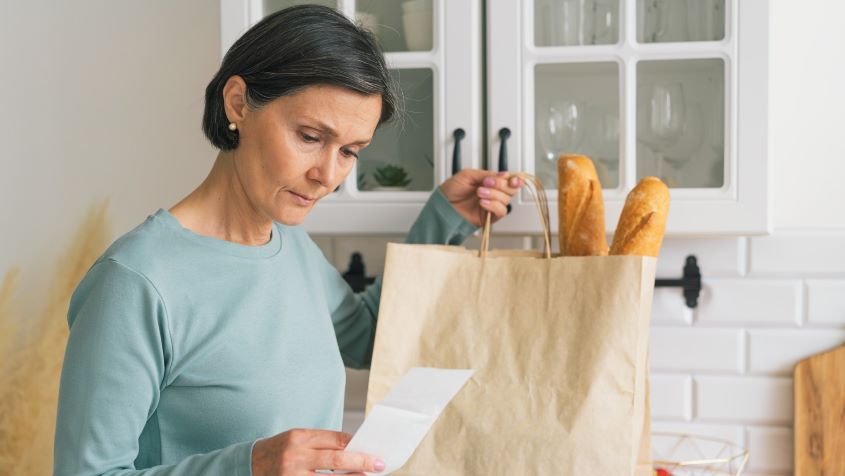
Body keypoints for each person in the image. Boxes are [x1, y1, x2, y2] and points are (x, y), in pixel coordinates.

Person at [53, 5, 523, 476]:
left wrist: (442, 219)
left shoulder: (291, 246)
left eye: (349, 152)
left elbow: (365, 340)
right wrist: (249, 465)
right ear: (237, 103)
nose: (327, 175)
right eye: (310, 136)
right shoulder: (135, 282)